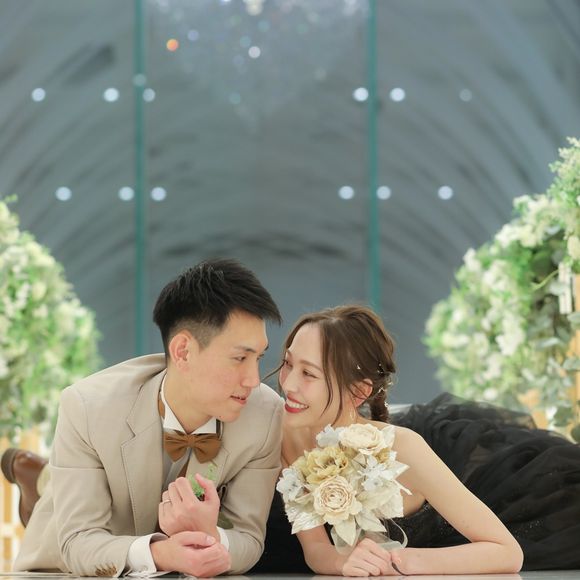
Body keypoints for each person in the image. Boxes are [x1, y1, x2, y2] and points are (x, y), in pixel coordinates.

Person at [251, 305, 580, 576]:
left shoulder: (403, 448)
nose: (288, 384)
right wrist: (343, 563)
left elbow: (507, 552)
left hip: (477, 509)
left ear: (359, 392)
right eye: (288, 363)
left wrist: (402, 562)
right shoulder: (284, 435)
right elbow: (316, 549)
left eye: (308, 374)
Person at [5, 258, 284, 577]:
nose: (253, 380)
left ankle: (42, 476)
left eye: (258, 358)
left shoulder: (264, 414)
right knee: (61, 498)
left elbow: (248, 537)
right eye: (240, 358)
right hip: (75, 567)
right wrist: (162, 553)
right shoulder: (87, 407)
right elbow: (79, 542)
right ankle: (40, 481)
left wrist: (211, 536)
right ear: (183, 352)